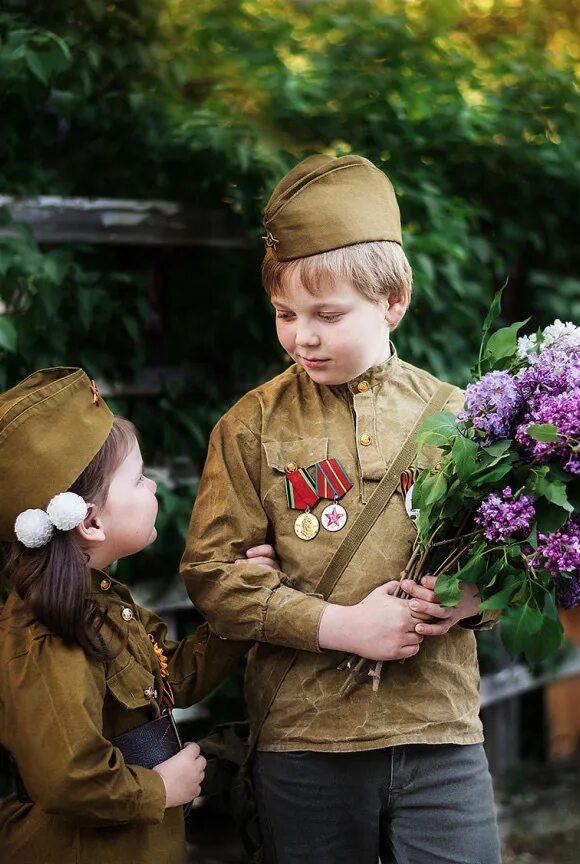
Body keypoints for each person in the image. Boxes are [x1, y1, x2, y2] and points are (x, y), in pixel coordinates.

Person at [180, 154, 502, 864]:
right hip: (305, 739)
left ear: (394, 302)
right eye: (285, 315)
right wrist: (341, 625)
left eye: (327, 315)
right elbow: (212, 574)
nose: (303, 336)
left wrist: (471, 601)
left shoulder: (462, 417)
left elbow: (510, 558)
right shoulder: (249, 425)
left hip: (439, 731)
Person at [0, 367, 279, 863]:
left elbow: (173, 677)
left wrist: (242, 602)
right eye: (137, 478)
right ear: (88, 521)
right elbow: (68, 777)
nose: (152, 487)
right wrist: (159, 788)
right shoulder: (49, 633)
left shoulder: (101, 605)